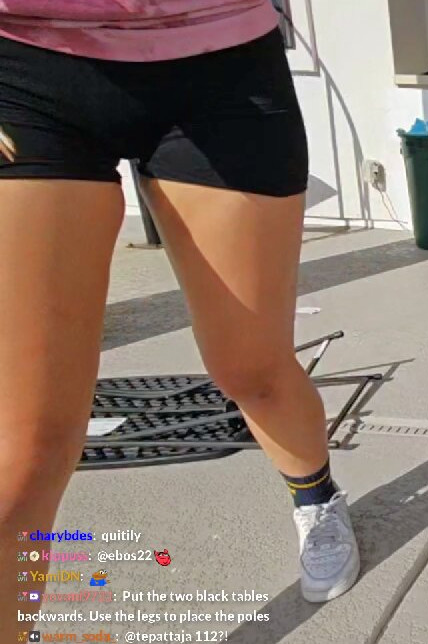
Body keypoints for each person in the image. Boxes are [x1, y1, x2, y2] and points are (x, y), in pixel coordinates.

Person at [0, 2, 360, 637]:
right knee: (24, 451)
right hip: (23, 64)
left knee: (252, 370)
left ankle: (317, 495)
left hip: (219, 58)